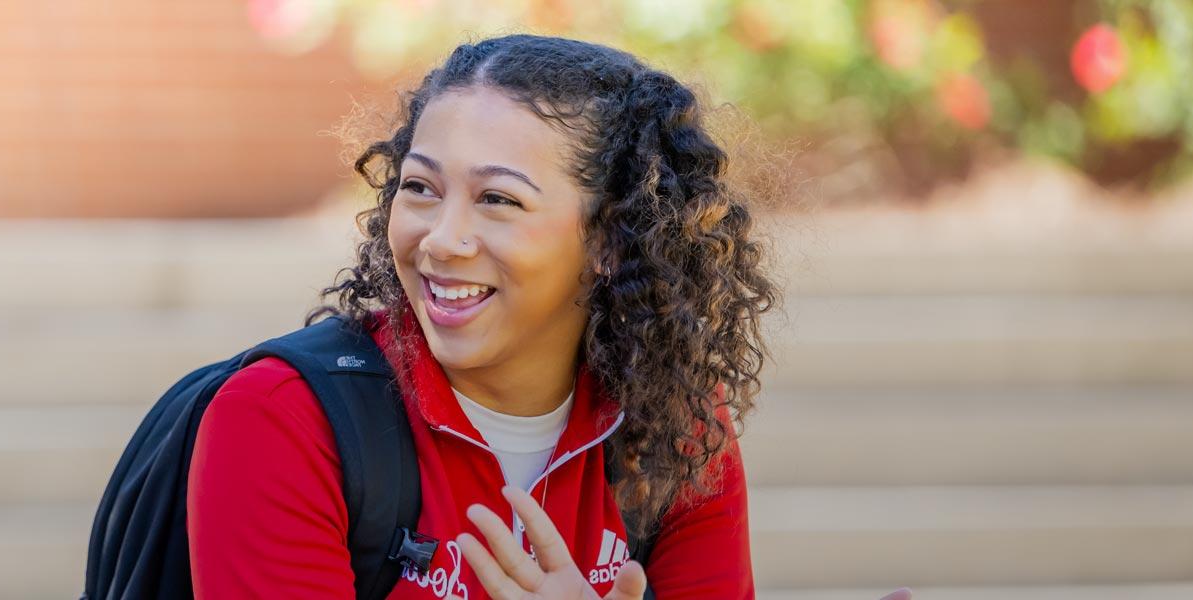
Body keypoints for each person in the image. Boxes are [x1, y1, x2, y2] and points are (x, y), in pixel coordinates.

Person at [185, 35, 776, 599]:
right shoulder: (282, 416)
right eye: (420, 187)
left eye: (497, 199)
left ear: (611, 240)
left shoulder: (675, 426)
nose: (441, 240)